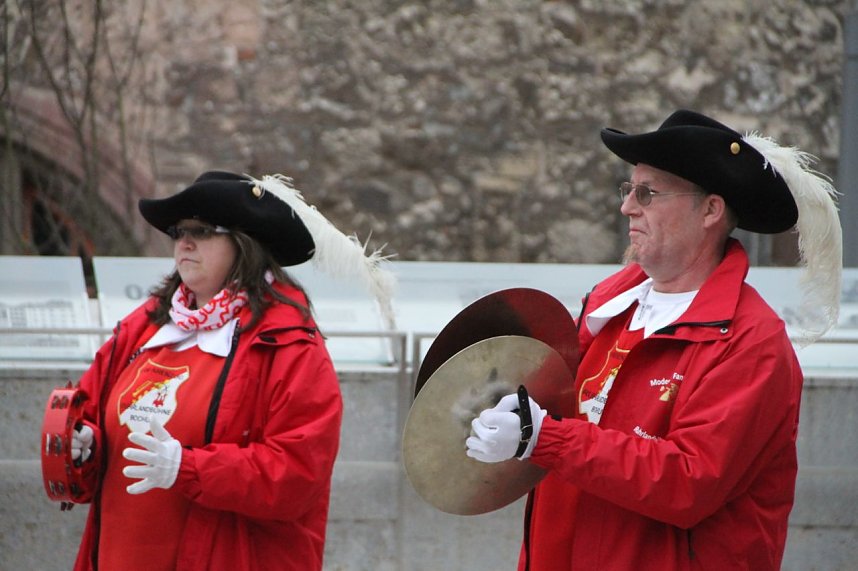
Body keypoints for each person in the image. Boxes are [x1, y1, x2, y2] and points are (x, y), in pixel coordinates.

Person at [465, 110, 842, 570]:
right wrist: (509, 424)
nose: (627, 207)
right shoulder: (608, 306)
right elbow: (557, 429)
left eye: (648, 193)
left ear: (710, 211)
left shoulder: (752, 342)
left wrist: (544, 438)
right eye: (629, 190)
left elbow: (688, 481)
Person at [66, 171, 395, 571]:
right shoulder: (143, 326)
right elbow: (88, 409)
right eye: (177, 231)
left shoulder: (290, 343)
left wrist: (189, 469)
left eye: (202, 231)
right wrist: (84, 445)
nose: (184, 243)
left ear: (245, 245)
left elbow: (297, 474)